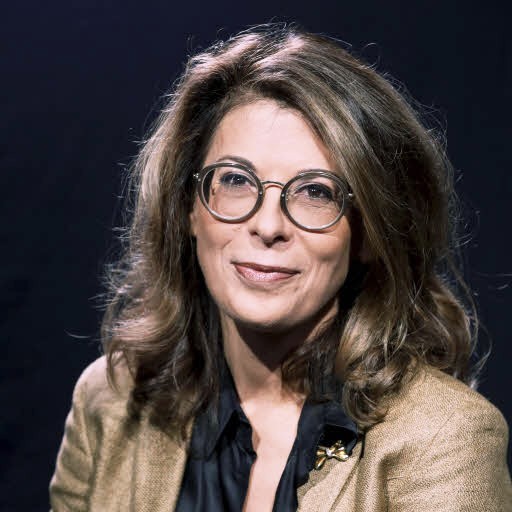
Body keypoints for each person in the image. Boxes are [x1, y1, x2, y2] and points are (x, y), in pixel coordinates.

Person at [49, 25, 511, 511]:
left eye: (315, 191)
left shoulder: (445, 437)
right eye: (235, 180)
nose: (268, 226)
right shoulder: (109, 402)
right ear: (188, 208)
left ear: (370, 234)